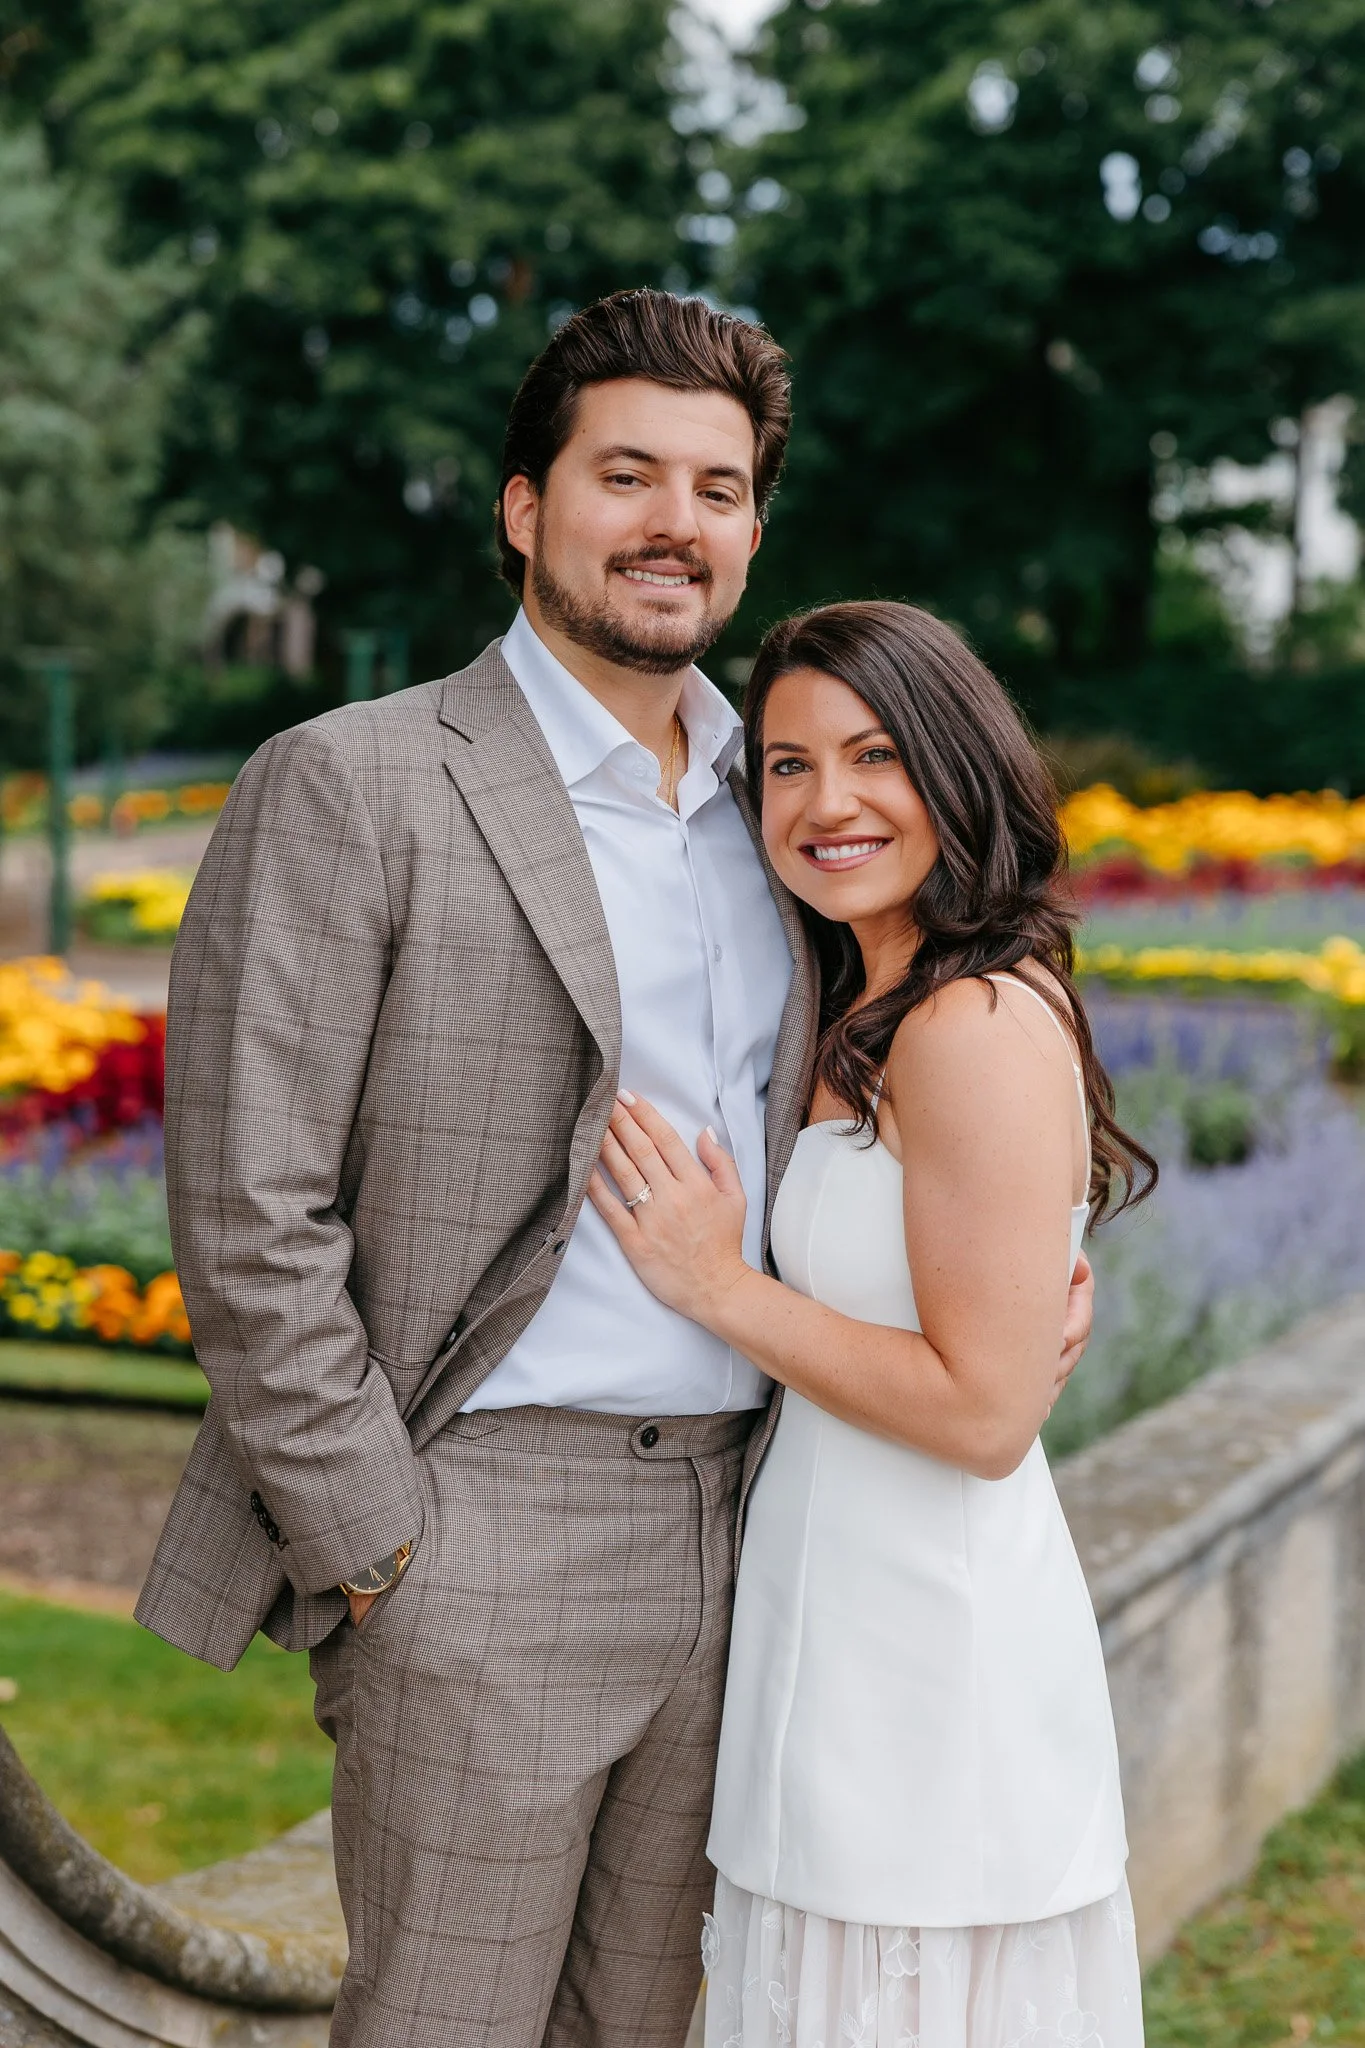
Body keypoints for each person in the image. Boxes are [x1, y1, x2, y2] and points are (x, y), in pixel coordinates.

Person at [135, 293, 1094, 2048]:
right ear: (524, 506)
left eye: (719, 488)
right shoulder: (356, 786)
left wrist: (1002, 1290)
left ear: (753, 528)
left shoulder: (786, 804)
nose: (675, 522)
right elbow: (248, 1212)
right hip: (477, 1523)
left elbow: (900, 1108)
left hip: (758, 1525)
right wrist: (378, 1554)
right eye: (626, 474)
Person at [590, 600, 1156, 2048]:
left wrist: (724, 1290)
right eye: (785, 766)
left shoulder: (967, 1027)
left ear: (958, 771)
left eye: (876, 755)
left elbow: (982, 1416)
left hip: (929, 1681)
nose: (826, 802)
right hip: (831, 1646)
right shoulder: (864, 1003)